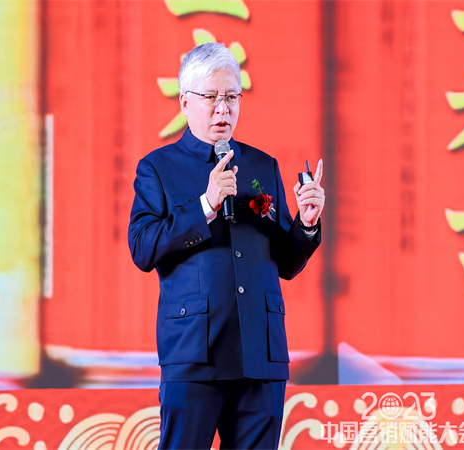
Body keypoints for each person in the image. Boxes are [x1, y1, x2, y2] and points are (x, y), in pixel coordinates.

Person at [128, 42, 325, 450]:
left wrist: (306, 225)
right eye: (211, 97)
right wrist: (205, 206)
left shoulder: (261, 166)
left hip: (260, 354)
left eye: (232, 97)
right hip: (195, 354)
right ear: (185, 102)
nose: (223, 109)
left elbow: (285, 262)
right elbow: (143, 248)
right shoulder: (158, 168)